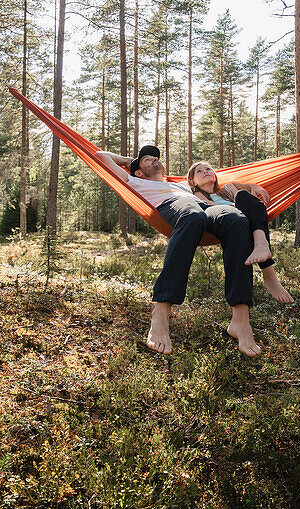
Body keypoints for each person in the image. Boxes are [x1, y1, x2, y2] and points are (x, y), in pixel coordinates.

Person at [94, 143, 272, 357]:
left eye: (156, 158)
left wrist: (250, 187)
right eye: (148, 160)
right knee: (193, 216)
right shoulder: (134, 181)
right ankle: (161, 312)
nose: (155, 160)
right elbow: (100, 155)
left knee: (237, 220)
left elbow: (221, 186)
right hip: (175, 206)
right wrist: (128, 162)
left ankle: (240, 320)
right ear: (139, 171)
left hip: (206, 207)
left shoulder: (181, 184)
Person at [187, 161, 293, 303]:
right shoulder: (198, 195)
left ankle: (261, 245)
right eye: (199, 171)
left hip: (247, 219)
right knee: (244, 206)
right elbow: (213, 207)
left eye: (208, 169)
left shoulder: (229, 187)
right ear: (193, 182)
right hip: (225, 221)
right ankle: (269, 275)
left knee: (243, 195)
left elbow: (250, 189)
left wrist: (255, 187)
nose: (205, 171)